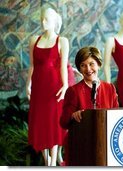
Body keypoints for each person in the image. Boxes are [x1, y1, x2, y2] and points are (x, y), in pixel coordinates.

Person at [26, 7, 75, 166]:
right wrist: (28, 84)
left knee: (53, 124)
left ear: (54, 21)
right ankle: (47, 161)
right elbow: (32, 66)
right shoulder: (34, 40)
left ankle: (53, 163)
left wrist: (66, 85)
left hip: (54, 88)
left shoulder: (62, 41)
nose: (43, 22)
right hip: (39, 89)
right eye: (41, 18)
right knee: (39, 123)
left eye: (46, 19)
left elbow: (63, 66)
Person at [60, 46, 119, 165]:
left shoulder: (110, 88)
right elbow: (63, 122)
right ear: (79, 69)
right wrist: (73, 115)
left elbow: (116, 117)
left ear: (98, 64)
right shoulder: (73, 91)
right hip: (80, 145)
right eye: (83, 65)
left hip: (106, 144)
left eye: (92, 64)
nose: (88, 69)